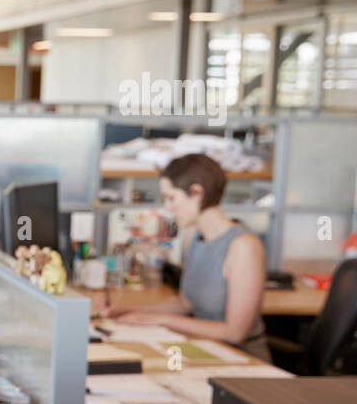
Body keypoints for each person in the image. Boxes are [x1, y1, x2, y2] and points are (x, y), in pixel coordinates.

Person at [100, 152, 270, 361]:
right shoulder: (197, 237)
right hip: (207, 352)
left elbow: (234, 333)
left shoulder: (244, 246)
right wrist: (128, 311)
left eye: (171, 197)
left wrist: (159, 320)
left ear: (197, 193)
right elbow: (184, 304)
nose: (167, 207)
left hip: (243, 364)